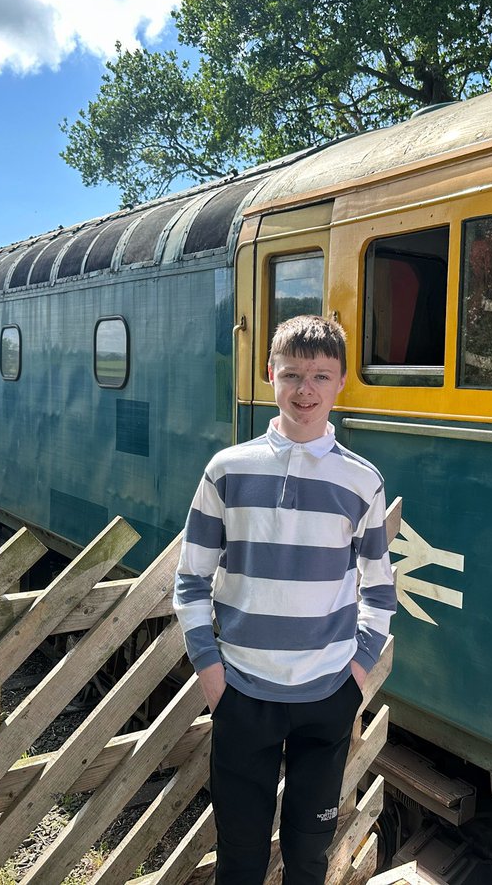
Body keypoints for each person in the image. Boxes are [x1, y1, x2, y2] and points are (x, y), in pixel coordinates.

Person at [173, 314, 396, 885]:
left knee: (308, 856)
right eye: (293, 374)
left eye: (321, 376)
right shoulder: (227, 471)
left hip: (328, 696)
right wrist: (211, 674)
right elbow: (192, 580)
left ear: (341, 382)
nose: (306, 390)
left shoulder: (361, 481)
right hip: (242, 692)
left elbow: (378, 586)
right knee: (240, 859)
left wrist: (358, 670)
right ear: (270, 374)